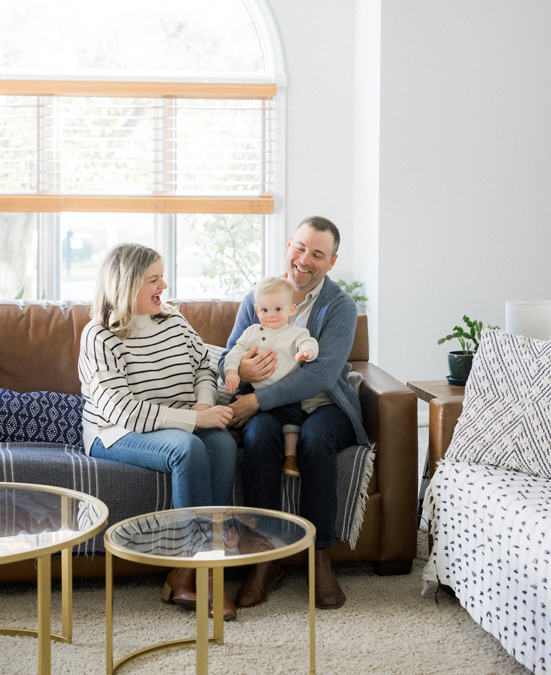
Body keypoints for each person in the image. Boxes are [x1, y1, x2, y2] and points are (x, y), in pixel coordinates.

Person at [79, 243, 239, 620]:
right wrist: (195, 421)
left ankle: (187, 572)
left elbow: (203, 363)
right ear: (126, 285)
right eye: (153, 279)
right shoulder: (100, 336)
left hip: (180, 416)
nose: (163, 285)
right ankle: (208, 575)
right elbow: (123, 412)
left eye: (162, 276)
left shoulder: (173, 320)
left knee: (224, 445)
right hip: (115, 432)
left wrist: (202, 403)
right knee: (188, 448)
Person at [219, 216, 369, 610]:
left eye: (317, 254)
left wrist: (254, 402)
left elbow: (321, 372)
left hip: (324, 403)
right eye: (300, 248)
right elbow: (230, 354)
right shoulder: (262, 295)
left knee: (317, 440)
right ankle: (264, 559)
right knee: (258, 436)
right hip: (271, 402)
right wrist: (244, 373)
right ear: (289, 245)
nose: (304, 260)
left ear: (331, 262)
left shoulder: (339, 306)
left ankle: (320, 556)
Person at [223, 276, 318, 478]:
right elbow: (234, 352)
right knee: (233, 408)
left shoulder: (295, 332)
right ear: (257, 311)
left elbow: (308, 342)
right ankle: (228, 434)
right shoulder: (251, 332)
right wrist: (232, 371)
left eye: (278, 309)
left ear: (291, 310)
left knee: (292, 421)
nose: (271, 315)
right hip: (255, 388)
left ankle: (290, 458)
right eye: (265, 310)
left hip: (284, 391)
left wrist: (307, 352)